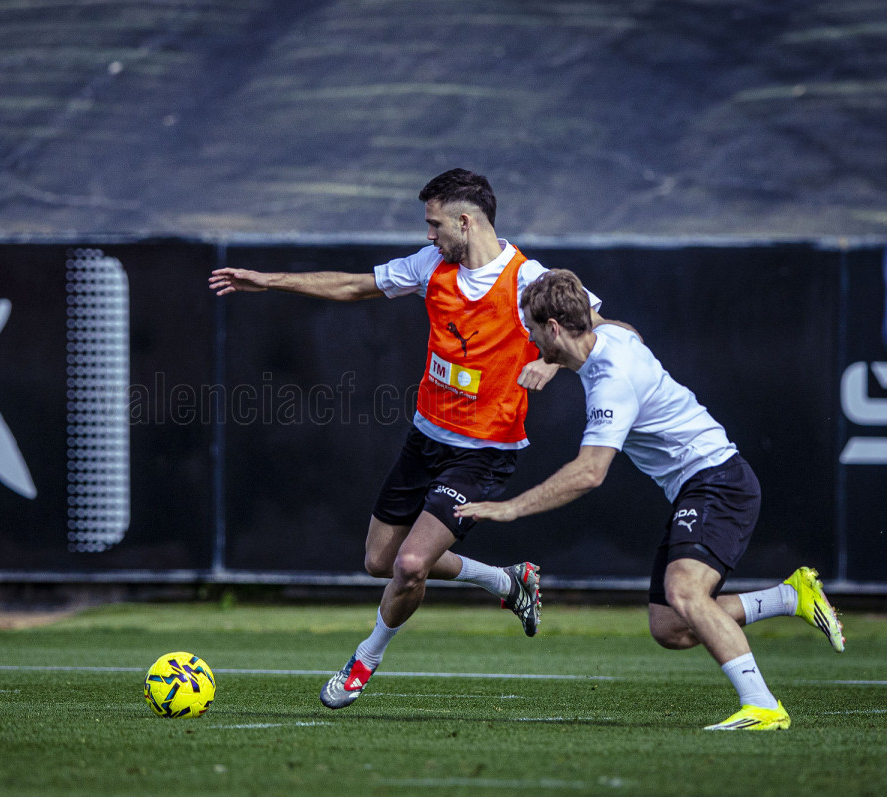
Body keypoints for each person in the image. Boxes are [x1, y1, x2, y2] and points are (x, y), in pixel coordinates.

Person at [209, 168, 606, 710]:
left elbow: (595, 328)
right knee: (382, 560)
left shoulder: (528, 280)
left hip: (484, 452)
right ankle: (506, 582)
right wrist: (269, 281)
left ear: (465, 222)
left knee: (412, 565)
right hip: (425, 440)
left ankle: (363, 660)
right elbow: (353, 285)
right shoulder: (431, 266)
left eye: (434, 224)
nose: (428, 234)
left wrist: (551, 363)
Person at [455, 268, 846, 731]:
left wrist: (511, 508)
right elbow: (623, 328)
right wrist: (556, 361)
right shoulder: (609, 337)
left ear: (554, 328)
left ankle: (762, 706)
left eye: (533, 329)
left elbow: (590, 472)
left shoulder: (611, 379)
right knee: (670, 627)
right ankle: (789, 597)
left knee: (685, 592)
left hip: (718, 480)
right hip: (701, 484)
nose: (530, 338)